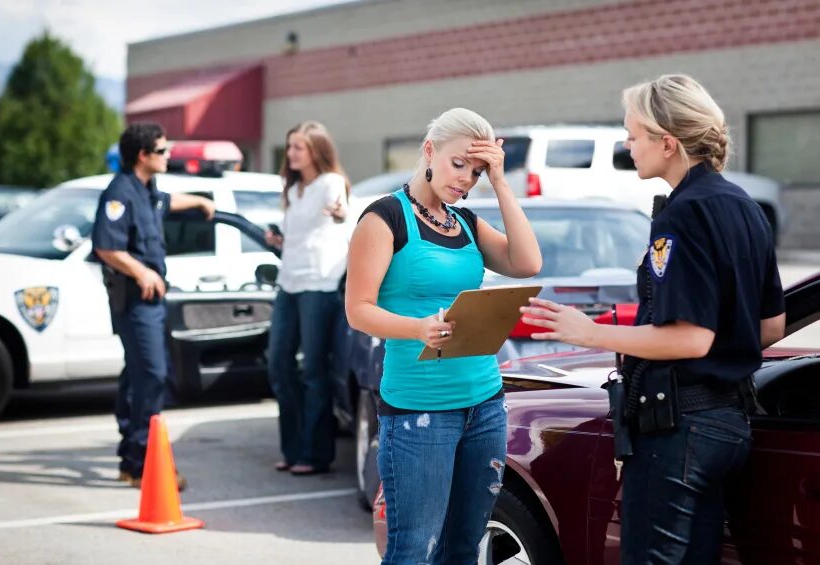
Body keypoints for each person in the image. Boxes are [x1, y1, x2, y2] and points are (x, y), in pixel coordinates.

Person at [522, 75, 786, 564]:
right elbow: (769, 327)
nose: (628, 145)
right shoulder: (745, 207)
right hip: (727, 424)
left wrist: (590, 332)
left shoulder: (682, 215)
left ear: (667, 142)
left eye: (634, 134)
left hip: (680, 429)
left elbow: (690, 338)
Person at [345, 107, 542, 563]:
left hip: (484, 405)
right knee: (414, 550)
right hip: (420, 412)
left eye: (476, 172)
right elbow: (358, 310)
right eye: (459, 165)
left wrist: (501, 181)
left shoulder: (466, 223)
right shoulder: (385, 218)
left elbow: (528, 263)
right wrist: (418, 328)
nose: (466, 180)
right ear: (430, 151)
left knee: (463, 548)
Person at [92, 122, 216, 489]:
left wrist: (198, 201)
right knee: (153, 375)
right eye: (162, 151)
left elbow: (166, 203)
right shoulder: (119, 193)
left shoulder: (147, 190)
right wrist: (142, 272)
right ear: (143, 156)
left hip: (151, 302)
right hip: (134, 300)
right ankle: (147, 464)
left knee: (136, 376)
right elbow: (106, 246)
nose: (168, 156)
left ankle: (130, 461)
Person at [266, 120, 351, 476]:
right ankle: (293, 447)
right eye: (289, 147)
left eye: (298, 147)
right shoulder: (293, 188)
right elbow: (293, 234)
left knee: (314, 370)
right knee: (278, 363)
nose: (291, 153)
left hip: (320, 283)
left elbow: (341, 211)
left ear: (316, 150)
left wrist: (340, 211)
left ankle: (315, 454)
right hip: (289, 282)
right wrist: (277, 240)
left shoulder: (330, 183)